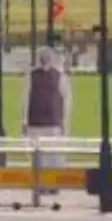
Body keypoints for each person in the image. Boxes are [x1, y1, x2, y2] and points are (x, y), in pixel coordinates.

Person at [21, 44, 72, 191]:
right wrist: (24, 120)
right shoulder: (31, 75)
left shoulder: (60, 76)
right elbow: (25, 99)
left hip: (53, 122)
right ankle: (39, 183)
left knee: (53, 155)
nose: (45, 59)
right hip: (35, 122)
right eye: (43, 56)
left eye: (48, 56)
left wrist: (64, 120)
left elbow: (66, 99)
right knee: (38, 155)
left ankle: (53, 183)